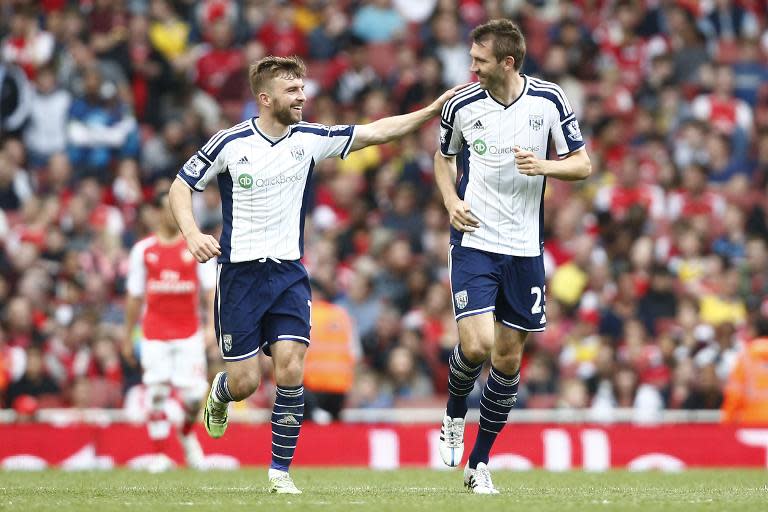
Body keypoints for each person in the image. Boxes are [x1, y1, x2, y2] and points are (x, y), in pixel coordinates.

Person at [168, 55, 463, 494]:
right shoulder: (229, 143)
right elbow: (180, 186)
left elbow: (376, 131)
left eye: (303, 88)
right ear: (265, 98)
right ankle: (223, 393)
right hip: (239, 277)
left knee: (291, 365)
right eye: (292, 91)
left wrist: (430, 110)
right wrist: (192, 234)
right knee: (247, 381)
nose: (302, 96)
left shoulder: (311, 138)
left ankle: (279, 472)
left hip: (288, 273)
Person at [434, 19, 591, 494]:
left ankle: (479, 464)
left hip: (524, 248)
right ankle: (454, 413)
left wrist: (544, 166)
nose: (471, 68)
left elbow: (582, 164)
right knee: (477, 344)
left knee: (507, 358)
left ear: (508, 62)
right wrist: (450, 201)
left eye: (480, 61)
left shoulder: (549, 99)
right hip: (475, 241)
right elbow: (443, 158)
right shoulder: (461, 104)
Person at [122, 191, 216, 472]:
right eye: (169, 209)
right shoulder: (144, 250)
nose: (174, 215)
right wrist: (128, 335)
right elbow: (135, 296)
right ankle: (161, 453)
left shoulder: (195, 247)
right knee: (157, 392)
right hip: (153, 333)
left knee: (195, 394)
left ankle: (186, 433)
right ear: (158, 213)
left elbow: (211, 292)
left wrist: (211, 327)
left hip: (188, 333)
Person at [721, 316, 768, 424]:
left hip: (752, 422)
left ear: (755, 331)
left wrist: (726, 422)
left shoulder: (746, 356)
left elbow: (734, 393)